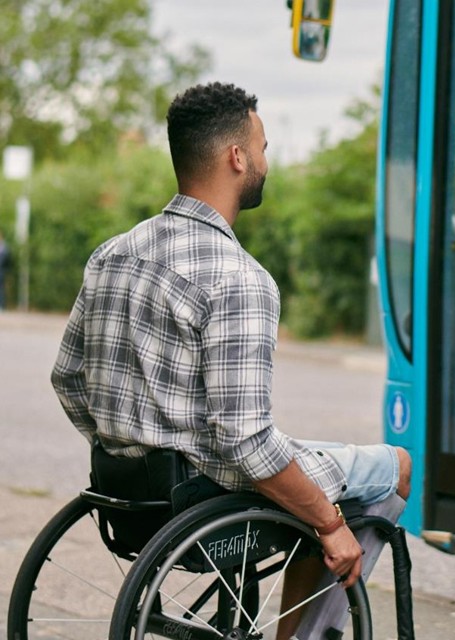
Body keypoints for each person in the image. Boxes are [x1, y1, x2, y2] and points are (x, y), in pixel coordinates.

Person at [50, 81, 411, 640]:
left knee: (311, 469)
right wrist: (330, 523)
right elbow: (246, 443)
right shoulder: (240, 280)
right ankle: (305, 632)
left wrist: (130, 446)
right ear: (237, 157)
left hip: (129, 491)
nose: (267, 160)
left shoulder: (112, 254)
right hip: (210, 493)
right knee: (393, 468)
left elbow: (69, 378)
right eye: (262, 147)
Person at [0, 230, 9, 310]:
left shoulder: (4, 247)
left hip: (1, 271)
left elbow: (5, 259)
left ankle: (2, 306)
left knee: (1, 289)